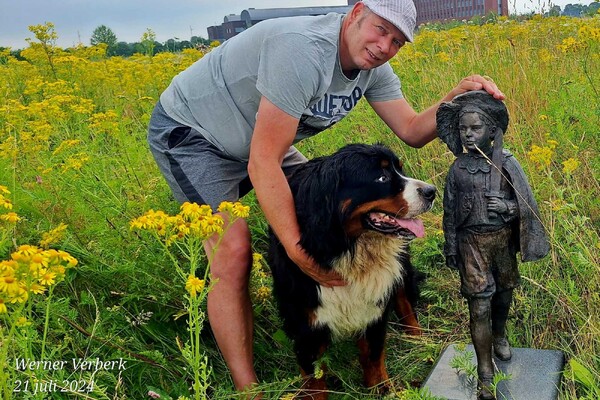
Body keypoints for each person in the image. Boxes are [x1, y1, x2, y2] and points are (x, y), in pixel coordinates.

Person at [147, 0, 504, 392]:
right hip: (194, 135)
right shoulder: (303, 51)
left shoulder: (372, 67)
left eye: (398, 41)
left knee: (317, 198)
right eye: (380, 29)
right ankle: (248, 387)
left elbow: (413, 130)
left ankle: (350, 308)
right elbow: (263, 164)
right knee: (233, 252)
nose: (385, 45)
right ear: (355, 13)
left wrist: (455, 98)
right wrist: (300, 254)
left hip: (260, 138)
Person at [438, 91, 549, 399]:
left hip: (501, 243)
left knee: (502, 297)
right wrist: (451, 247)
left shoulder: (507, 162)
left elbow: (527, 203)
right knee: (479, 306)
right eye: (464, 129)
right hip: (470, 244)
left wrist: (509, 208)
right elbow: (449, 212)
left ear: (490, 130)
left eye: (475, 128)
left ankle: (499, 334)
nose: (469, 134)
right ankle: (484, 372)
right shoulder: (457, 169)